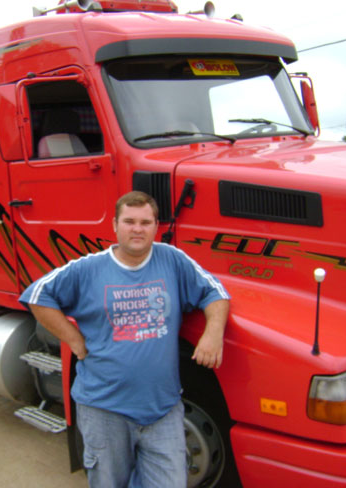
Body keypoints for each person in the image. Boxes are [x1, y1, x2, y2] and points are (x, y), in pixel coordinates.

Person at [20, 191, 230, 488]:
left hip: (163, 410)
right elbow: (38, 296)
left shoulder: (172, 259)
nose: (137, 229)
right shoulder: (88, 268)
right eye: (129, 221)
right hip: (104, 411)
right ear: (115, 225)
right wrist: (74, 340)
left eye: (145, 222)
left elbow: (215, 292)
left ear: (156, 226)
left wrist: (213, 332)